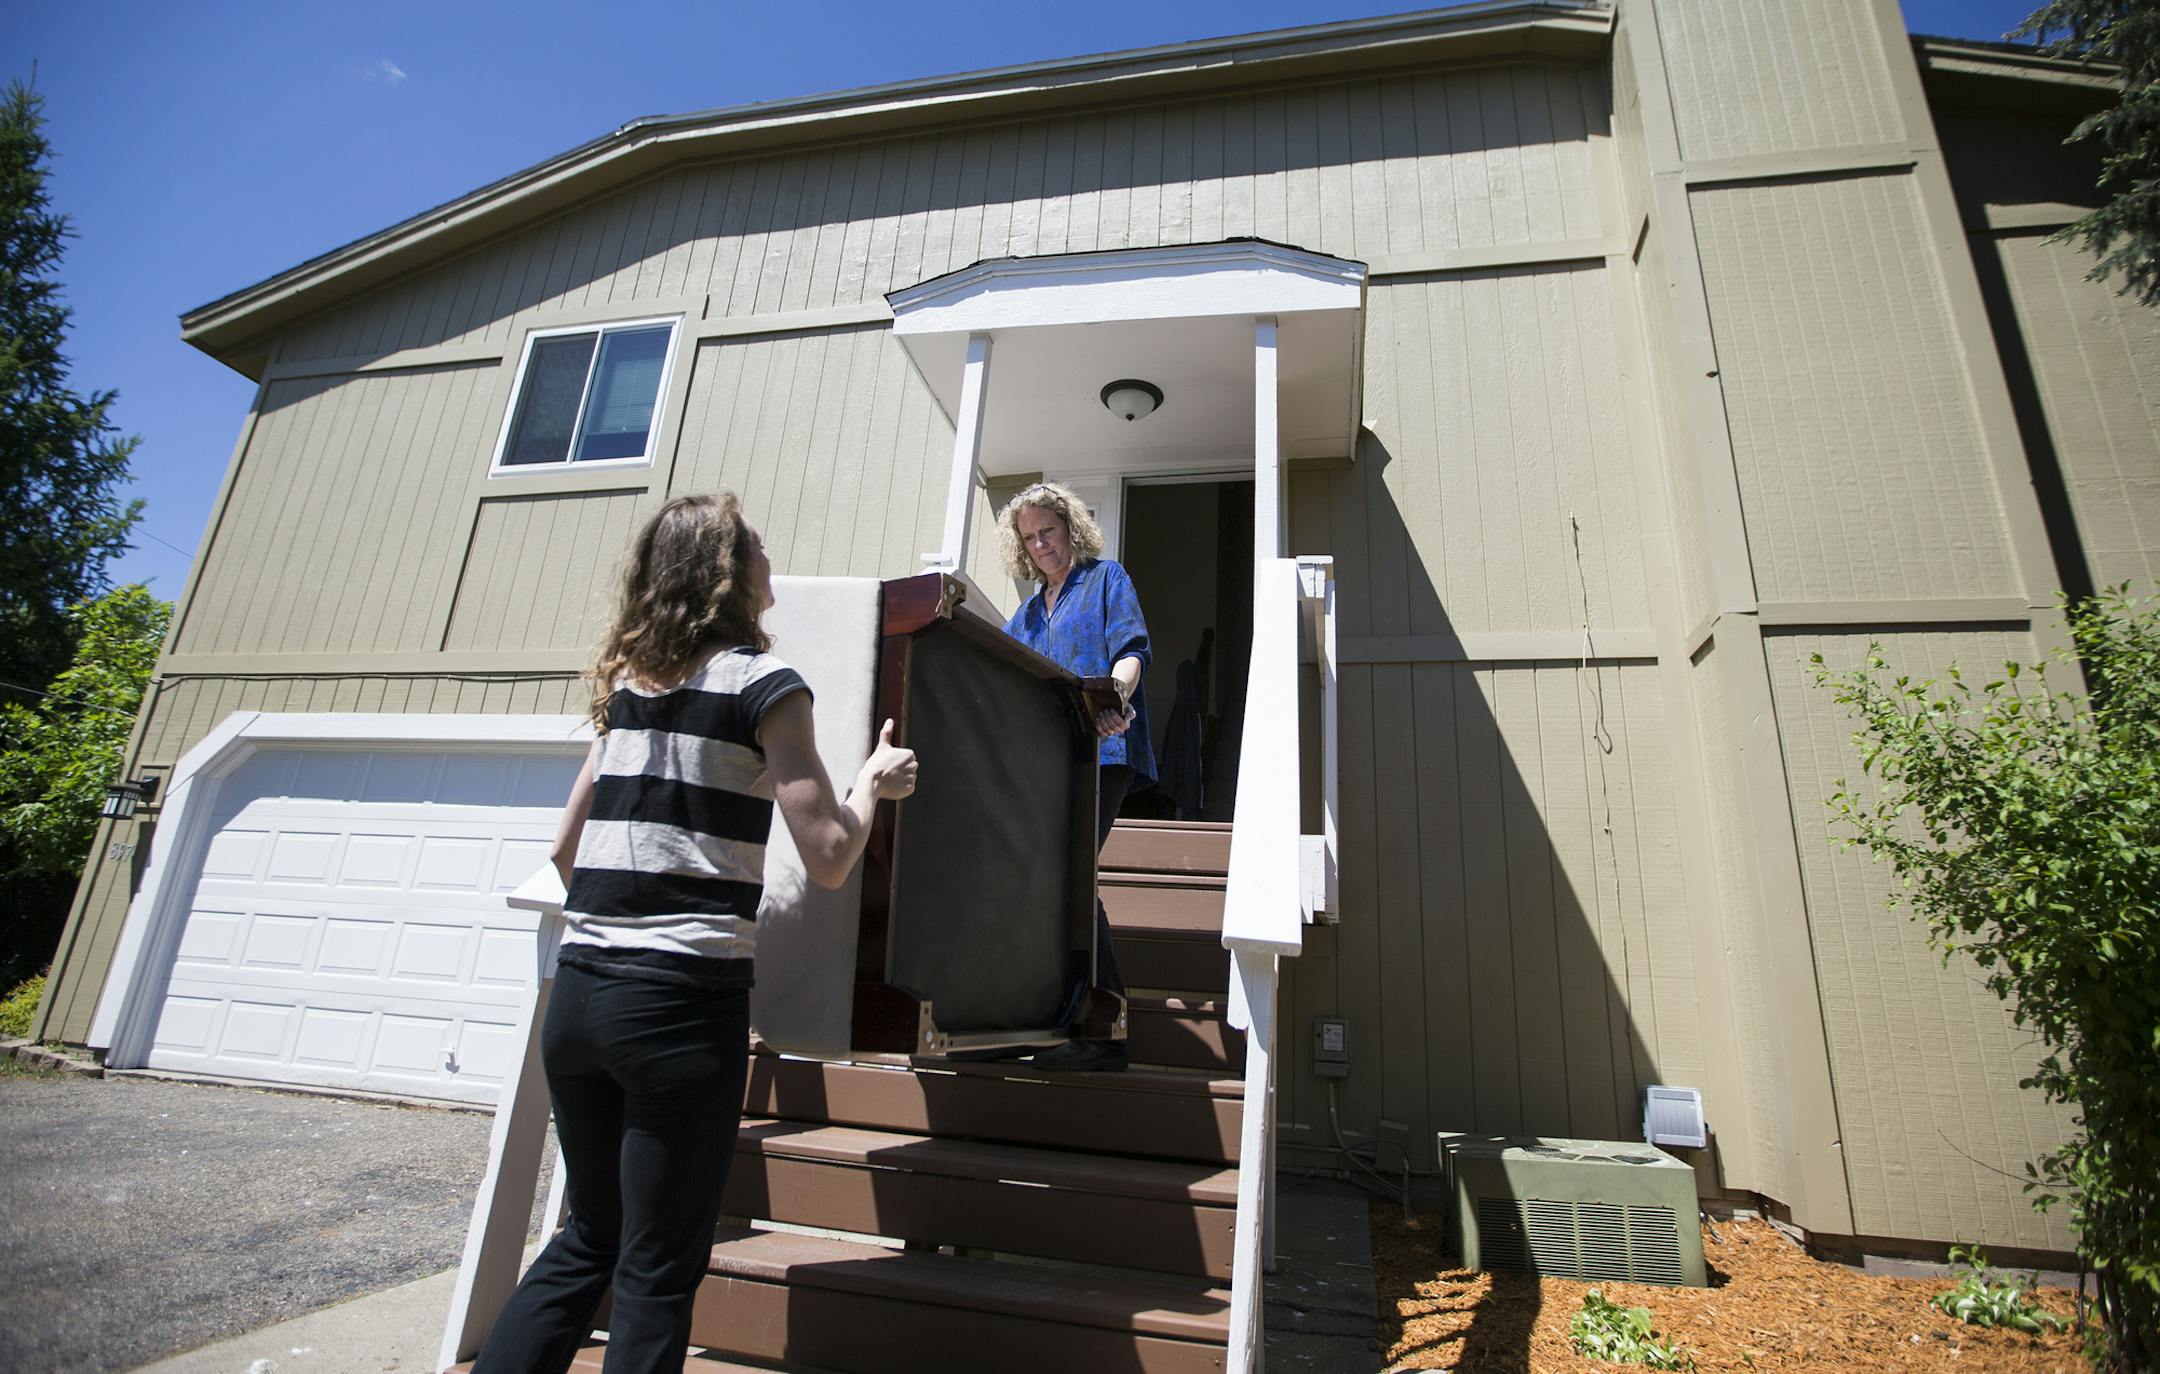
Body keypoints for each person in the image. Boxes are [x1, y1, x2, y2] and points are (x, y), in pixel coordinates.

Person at [472, 492, 917, 1374]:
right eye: (756, 546)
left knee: (588, 1236)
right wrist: (874, 780)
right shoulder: (763, 684)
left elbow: (565, 853)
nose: (769, 564)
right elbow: (828, 854)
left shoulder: (628, 690)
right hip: (677, 1010)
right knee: (657, 1272)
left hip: (579, 998)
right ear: (728, 571)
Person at [996, 480, 1153, 1073]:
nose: (1042, 545)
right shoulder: (1028, 613)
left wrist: (1117, 692)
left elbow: (1132, 651)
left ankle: (1105, 1034)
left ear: (1071, 529)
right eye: (1031, 538)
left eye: (1050, 532)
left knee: (1070, 877)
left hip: (1105, 748)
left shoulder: (1107, 579)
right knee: (1043, 885)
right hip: (1047, 760)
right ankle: (1036, 1018)